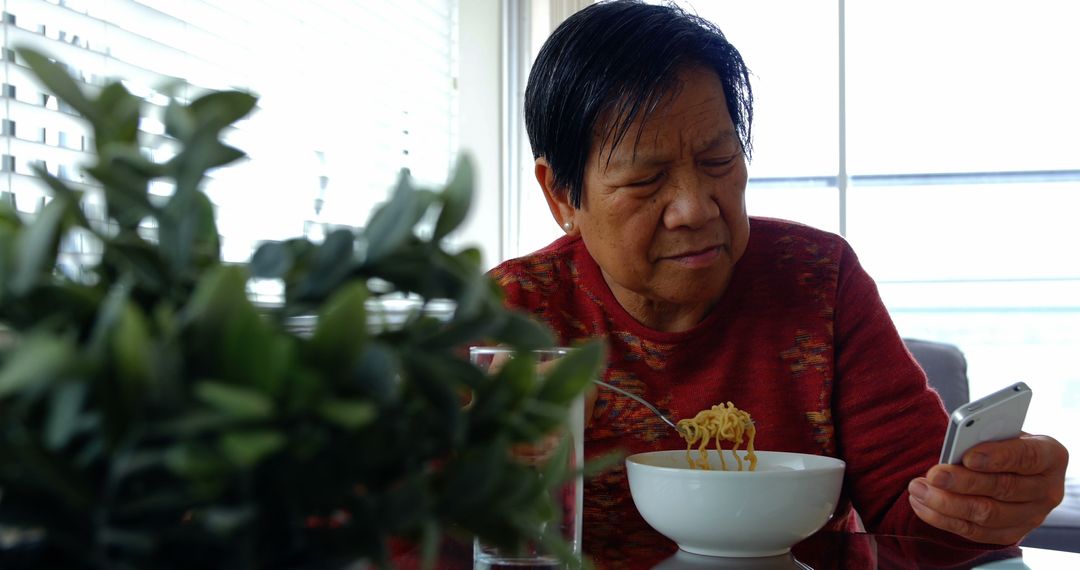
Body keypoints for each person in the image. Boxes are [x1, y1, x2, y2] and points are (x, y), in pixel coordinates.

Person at [488, 1, 1070, 568]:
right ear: (561, 195)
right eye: (646, 180)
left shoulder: (817, 277)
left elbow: (913, 518)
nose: (695, 208)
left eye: (719, 162)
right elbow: (415, 533)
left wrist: (982, 503)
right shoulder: (509, 311)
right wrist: (481, 461)